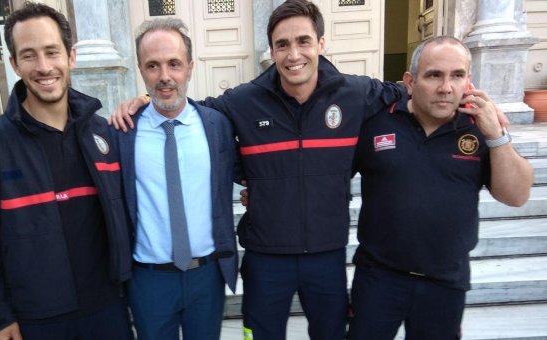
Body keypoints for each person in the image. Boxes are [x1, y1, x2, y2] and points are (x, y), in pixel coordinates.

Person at [110, 1, 403, 338]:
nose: (294, 54)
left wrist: (467, 112)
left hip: (327, 255)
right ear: (272, 50)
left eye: (303, 41)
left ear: (321, 44)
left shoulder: (356, 93)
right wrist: (143, 102)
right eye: (282, 44)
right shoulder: (243, 100)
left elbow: (408, 95)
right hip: (265, 258)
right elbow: (185, 112)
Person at [0, 3, 132, 339]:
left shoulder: (102, 134)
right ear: (14, 64)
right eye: (29, 55)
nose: (44, 66)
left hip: (108, 311)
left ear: (71, 57)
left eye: (52, 52)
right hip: (34, 321)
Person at [348, 36, 534, 339]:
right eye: (434, 75)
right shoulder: (377, 123)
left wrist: (497, 136)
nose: (446, 87)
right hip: (378, 280)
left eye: (457, 75)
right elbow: (329, 173)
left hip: (445, 285)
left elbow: (516, 195)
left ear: (468, 82)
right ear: (410, 81)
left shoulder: (479, 129)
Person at [113, 18, 238, 340]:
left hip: (206, 276)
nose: (165, 76)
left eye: (174, 64)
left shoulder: (217, 126)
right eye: (153, 65)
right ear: (140, 69)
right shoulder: (121, 133)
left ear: (191, 67)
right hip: (148, 280)